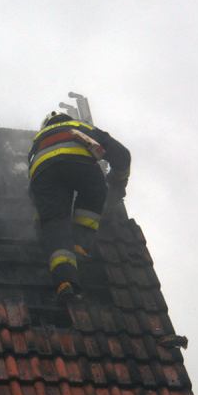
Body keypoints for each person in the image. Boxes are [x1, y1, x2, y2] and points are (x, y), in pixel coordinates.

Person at [28, 111, 131, 300]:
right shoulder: (81, 127)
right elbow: (122, 155)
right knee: (94, 192)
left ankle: (65, 281)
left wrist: (43, 219)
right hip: (81, 166)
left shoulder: (37, 142)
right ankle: (80, 245)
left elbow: (35, 189)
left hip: (44, 175)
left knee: (55, 225)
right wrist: (117, 182)